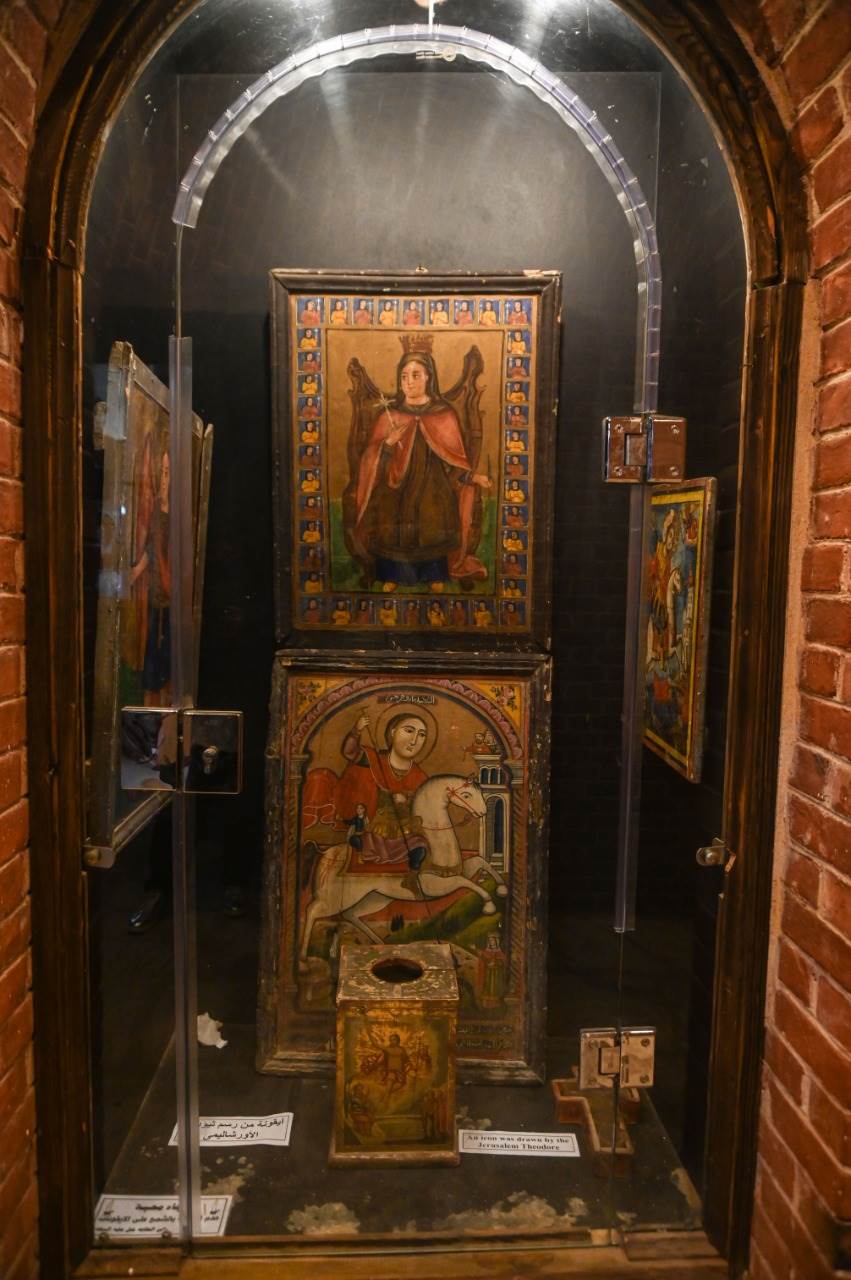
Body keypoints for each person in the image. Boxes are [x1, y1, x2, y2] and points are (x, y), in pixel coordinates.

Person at [351, 346, 492, 591]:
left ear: (429, 377)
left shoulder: (444, 415)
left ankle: (435, 575)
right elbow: (370, 460)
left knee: (433, 525)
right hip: (396, 487)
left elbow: (454, 460)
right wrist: (387, 444)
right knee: (392, 524)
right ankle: (393, 575)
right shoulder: (389, 416)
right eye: (404, 376)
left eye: (416, 375)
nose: (409, 382)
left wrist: (473, 477)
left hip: (433, 485)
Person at [303, 710, 430, 869]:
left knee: (419, 844)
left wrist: (408, 800)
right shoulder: (373, 760)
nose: (414, 740)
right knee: (368, 839)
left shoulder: (420, 776)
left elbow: (425, 807)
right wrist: (356, 730)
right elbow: (350, 752)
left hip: (404, 831)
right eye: (409, 731)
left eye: (422, 735)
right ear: (392, 733)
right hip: (376, 827)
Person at [127, 437, 171, 706]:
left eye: (167, 473)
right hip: (156, 596)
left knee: (167, 657)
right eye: (161, 473)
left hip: (171, 597)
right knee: (152, 654)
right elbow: (150, 550)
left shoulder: (177, 514)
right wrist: (134, 574)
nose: (163, 480)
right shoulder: (156, 510)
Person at [477, 932, 506, 1008]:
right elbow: (483, 960)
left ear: (496, 941)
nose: (491, 942)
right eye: (489, 940)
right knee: (487, 989)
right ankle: (486, 1006)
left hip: (496, 975)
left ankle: (496, 1005)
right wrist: (486, 960)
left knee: (495, 990)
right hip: (488, 974)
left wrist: (496, 962)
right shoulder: (486, 951)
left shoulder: (499, 952)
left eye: (492, 940)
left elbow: (503, 961)